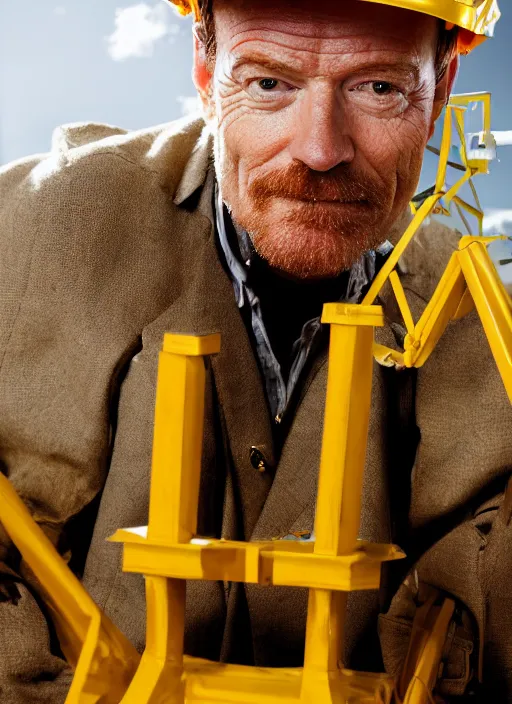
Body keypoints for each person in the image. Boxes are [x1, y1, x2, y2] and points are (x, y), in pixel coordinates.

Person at [0, 0, 509, 701]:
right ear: (206, 71)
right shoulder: (30, 232)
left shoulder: (473, 306)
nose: (320, 149)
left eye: (379, 88)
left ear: (443, 89)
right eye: (270, 83)